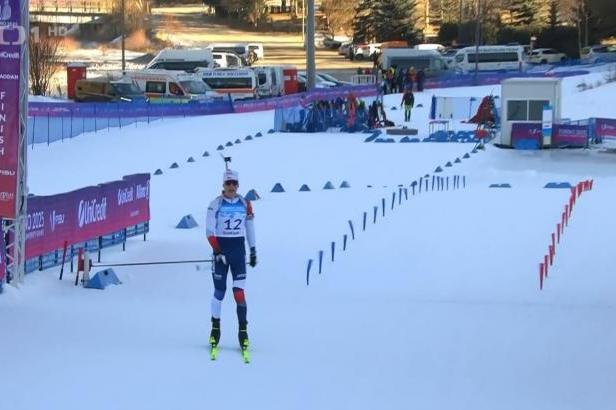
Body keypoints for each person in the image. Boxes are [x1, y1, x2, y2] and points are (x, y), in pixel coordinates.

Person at [206, 169, 257, 355]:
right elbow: (209, 232)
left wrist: (253, 250)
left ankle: (243, 332)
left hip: (238, 252)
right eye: (228, 184)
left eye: (234, 183)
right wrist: (218, 251)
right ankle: (215, 330)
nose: (231, 187)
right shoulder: (215, 204)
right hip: (220, 252)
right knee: (219, 292)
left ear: (238, 185)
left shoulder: (245, 203)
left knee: (239, 292)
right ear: (223, 185)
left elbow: (250, 228)